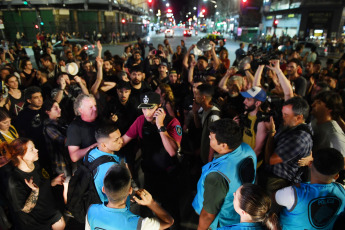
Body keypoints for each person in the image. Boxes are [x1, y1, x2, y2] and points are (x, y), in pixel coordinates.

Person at [121, 92, 182, 228]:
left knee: (171, 210)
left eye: (150, 108)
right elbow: (123, 140)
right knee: (147, 208)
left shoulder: (172, 122)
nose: (147, 112)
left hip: (169, 175)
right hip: (150, 174)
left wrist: (160, 126)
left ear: (159, 107)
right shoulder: (140, 121)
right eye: (144, 108)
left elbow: (172, 151)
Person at [192, 119, 257, 230]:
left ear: (223, 145)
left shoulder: (217, 177)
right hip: (236, 216)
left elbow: (208, 215)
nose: (209, 138)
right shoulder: (247, 149)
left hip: (221, 222)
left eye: (211, 137)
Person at [86, 164, 174, 230]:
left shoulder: (91, 210)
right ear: (130, 190)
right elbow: (168, 221)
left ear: (103, 189)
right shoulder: (138, 224)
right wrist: (151, 203)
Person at [276, 148, 345, 229]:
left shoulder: (294, 193)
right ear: (336, 176)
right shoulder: (342, 191)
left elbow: (274, 198)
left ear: (310, 164)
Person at [5, 138, 66, 230]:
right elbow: (26, 209)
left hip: (50, 210)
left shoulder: (36, 164)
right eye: (31, 149)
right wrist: (34, 191)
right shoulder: (15, 180)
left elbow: (43, 183)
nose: (36, 150)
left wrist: (53, 182)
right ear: (20, 156)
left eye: (34, 147)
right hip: (36, 222)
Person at [263, 96, 313, 194]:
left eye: (286, 115)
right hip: (275, 177)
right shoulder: (292, 125)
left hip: (278, 183)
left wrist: (271, 133)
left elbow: (269, 160)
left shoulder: (298, 139)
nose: (282, 117)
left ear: (299, 117)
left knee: (271, 208)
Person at [84, 125, 123, 203]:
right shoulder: (111, 168)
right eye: (116, 140)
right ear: (103, 145)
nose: (121, 141)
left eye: (120, 136)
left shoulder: (91, 152)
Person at [193, 84, 221, 164]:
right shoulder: (206, 110)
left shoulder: (214, 116)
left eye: (197, 94)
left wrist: (209, 162)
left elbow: (215, 140)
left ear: (203, 98)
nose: (195, 97)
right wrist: (195, 112)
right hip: (204, 152)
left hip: (209, 158)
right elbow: (198, 126)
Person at [66, 94, 98, 163]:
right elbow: (74, 156)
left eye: (95, 106)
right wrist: (96, 146)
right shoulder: (74, 127)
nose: (95, 109)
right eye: (90, 107)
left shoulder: (99, 120)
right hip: (89, 168)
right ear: (81, 110)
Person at [42, 99, 71, 177]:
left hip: (69, 159)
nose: (59, 109)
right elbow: (64, 141)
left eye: (59, 107)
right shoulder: (49, 127)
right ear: (47, 112)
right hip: (61, 164)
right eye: (56, 108)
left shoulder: (60, 122)